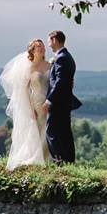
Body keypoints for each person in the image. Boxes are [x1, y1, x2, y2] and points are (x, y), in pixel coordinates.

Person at [0, 39, 51, 170]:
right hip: (37, 104)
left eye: (43, 46)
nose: (42, 48)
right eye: (38, 47)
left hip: (50, 102)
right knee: (39, 131)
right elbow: (24, 90)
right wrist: (30, 108)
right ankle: (36, 159)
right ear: (32, 51)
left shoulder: (50, 65)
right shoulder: (29, 68)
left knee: (48, 131)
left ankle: (46, 160)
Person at [41, 30, 82, 163]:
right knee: (64, 134)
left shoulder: (61, 58)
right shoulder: (66, 56)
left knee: (52, 132)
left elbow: (60, 82)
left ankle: (59, 162)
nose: (48, 44)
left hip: (58, 103)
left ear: (54, 39)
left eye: (49, 41)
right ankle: (68, 162)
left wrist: (49, 100)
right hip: (64, 102)